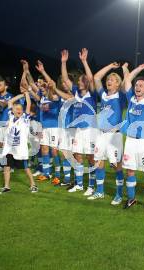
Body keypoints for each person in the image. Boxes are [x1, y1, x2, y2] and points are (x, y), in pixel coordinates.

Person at [121, 63, 144, 214]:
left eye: (141, 85)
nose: (138, 87)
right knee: (130, 171)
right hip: (130, 141)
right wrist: (138, 69)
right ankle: (131, 198)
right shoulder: (131, 98)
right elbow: (127, 80)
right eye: (137, 85)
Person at [60, 49, 98, 195]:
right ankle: (80, 184)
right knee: (77, 155)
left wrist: (84, 61)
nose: (80, 82)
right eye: (80, 80)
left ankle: (91, 186)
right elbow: (65, 79)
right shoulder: (76, 92)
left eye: (83, 80)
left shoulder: (92, 94)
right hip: (78, 130)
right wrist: (64, 62)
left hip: (90, 130)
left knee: (90, 157)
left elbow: (91, 77)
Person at [92, 61, 127, 204]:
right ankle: (100, 191)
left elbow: (126, 84)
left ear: (118, 84)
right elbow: (96, 78)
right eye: (108, 80)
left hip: (114, 135)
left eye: (112, 80)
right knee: (98, 161)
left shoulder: (120, 96)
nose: (108, 81)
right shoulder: (104, 96)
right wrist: (110, 67)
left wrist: (124, 70)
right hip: (101, 134)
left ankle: (119, 194)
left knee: (116, 166)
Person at [0, 83, 38, 194]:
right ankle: (7, 186)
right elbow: (10, 102)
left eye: (20, 108)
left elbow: (28, 103)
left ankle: (33, 185)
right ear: (13, 111)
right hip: (9, 147)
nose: (19, 110)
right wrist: (21, 94)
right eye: (17, 109)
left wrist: (26, 94)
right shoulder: (10, 116)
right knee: (6, 166)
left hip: (20, 148)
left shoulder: (25, 118)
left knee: (25, 167)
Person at [31, 60, 62, 184]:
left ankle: (58, 175)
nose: (42, 88)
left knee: (54, 151)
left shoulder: (55, 96)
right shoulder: (42, 97)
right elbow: (33, 88)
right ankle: (46, 173)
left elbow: (51, 89)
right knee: (44, 149)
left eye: (44, 86)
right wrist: (27, 72)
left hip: (54, 127)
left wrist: (43, 72)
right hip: (44, 127)